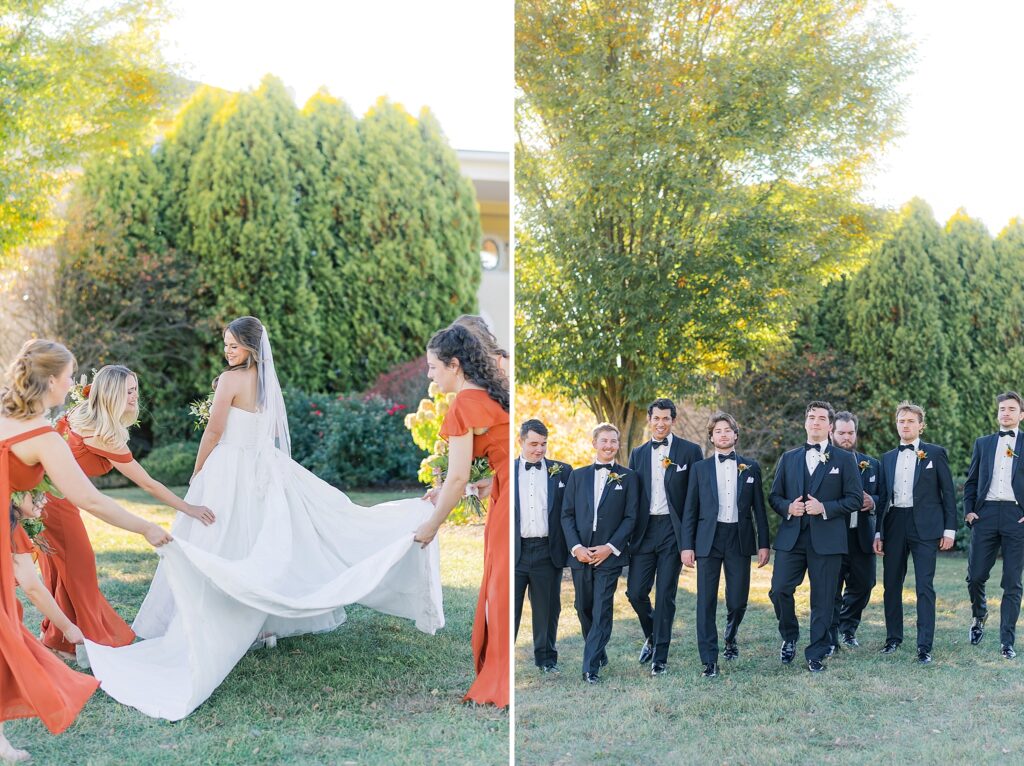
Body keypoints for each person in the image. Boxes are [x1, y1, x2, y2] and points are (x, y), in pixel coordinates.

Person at [86, 317, 444, 720]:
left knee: (226, 540)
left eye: (234, 346)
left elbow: (215, 432)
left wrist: (198, 473)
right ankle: (262, 627)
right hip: (265, 469)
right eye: (225, 346)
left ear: (252, 348)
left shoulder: (229, 381)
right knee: (257, 541)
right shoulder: (267, 383)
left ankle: (223, 624)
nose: (227, 352)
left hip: (230, 468)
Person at [0, 339, 171, 762]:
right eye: (71, 375)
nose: (76, 383)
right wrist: (146, 526)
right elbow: (91, 500)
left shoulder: (7, 420)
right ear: (54, 381)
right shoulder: (43, 436)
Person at [38, 365, 215, 658]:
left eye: (135, 389)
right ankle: (95, 643)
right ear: (111, 394)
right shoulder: (104, 435)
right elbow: (148, 484)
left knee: (62, 571)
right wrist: (188, 507)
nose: (135, 396)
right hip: (54, 503)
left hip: (44, 499)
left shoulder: (80, 413)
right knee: (79, 570)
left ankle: (63, 642)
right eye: (128, 391)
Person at [414, 322, 510, 707]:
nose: (430, 376)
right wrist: (480, 486)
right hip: (504, 493)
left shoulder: (464, 405)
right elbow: (496, 458)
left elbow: (455, 479)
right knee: (499, 590)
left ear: (455, 365)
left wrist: (430, 526)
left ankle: (500, 683)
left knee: (500, 593)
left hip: (508, 505)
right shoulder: (492, 393)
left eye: (433, 368)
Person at [768, 400, 861, 672]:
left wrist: (825, 508)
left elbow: (854, 499)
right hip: (792, 539)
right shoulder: (789, 458)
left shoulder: (844, 459)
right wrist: (788, 507)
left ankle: (816, 653)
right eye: (812, 417)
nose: (816, 422)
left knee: (823, 598)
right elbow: (774, 496)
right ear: (805, 422)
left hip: (828, 539)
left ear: (830, 426)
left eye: (822, 418)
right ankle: (789, 636)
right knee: (779, 589)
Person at [680, 411, 769, 678]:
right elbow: (690, 510)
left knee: (738, 599)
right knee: (706, 601)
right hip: (708, 539)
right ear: (711, 437)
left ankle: (731, 634)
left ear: (735, 435)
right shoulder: (700, 469)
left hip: (739, 538)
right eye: (718, 431)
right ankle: (709, 659)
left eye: (728, 430)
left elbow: (759, 510)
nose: (723, 435)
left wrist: (763, 543)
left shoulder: (750, 467)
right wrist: (687, 545)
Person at [875, 401, 957, 664]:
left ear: (921, 425)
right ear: (896, 424)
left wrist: (950, 530)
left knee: (924, 586)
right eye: (901, 421)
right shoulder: (887, 458)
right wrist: (878, 532)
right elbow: (882, 498)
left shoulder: (935, 453)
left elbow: (948, 494)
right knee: (891, 586)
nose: (905, 425)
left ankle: (924, 645)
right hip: (895, 523)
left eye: (911, 421)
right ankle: (893, 638)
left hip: (926, 526)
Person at [625, 398, 702, 676]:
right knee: (635, 592)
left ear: (673, 420)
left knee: (665, 594)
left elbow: (695, 498)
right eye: (656, 418)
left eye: (666, 418)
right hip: (644, 532)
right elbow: (631, 497)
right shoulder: (638, 453)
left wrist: (689, 541)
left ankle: (660, 656)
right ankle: (652, 635)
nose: (660, 423)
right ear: (649, 419)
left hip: (673, 530)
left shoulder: (691, 451)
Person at [561, 422, 638, 684]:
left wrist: (610, 548)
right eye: (604, 441)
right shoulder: (577, 476)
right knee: (583, 607)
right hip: (581, 552)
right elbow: (567, 515)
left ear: (618, 444)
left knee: (602, 606)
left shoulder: (628, 477)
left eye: (613, 441)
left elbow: (630, 518)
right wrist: (576, 548)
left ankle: (590, 666)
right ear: (594, 443)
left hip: (610, 554)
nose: (609, 446)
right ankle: (599, 649)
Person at [963, 392, 1024, 659]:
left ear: (1021, 415)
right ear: (997, 413)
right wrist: (970, 511)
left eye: (1012, 409)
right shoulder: (983, 443)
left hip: (1016, 516)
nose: (1006, 413)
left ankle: (1006, 642)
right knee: (975, 576)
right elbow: (972, 481)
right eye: (1002, 408)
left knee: (1012, 581)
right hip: (985, 514)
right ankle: (979, 616)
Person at [514, 419, 571, 674]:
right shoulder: (507, 469)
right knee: (509, 610)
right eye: (533, 444)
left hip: (548, 551)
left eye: (543, 444)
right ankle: (501, 662)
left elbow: (572, 511)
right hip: (515, 551)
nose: (539, 449)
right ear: (521, 441)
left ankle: (546, 660)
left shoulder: (563, 471)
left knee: (547, 610)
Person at [828, 411, 880, 650]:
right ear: (831, 433)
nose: (846, 438)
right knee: (831, 588)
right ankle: (830, 635)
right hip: (833, 536)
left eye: (850, 433)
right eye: (841, 433)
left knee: (865, 583)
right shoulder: (822, 463)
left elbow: (884, 495)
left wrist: (874, 502)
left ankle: (848, 627)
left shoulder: (872, 465)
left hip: (862, 537)